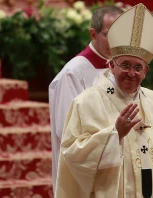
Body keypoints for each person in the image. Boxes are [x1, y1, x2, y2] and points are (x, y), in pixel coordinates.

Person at [55, 3, 153, 198]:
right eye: (125, 65)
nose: (131, 73)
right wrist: (114, 135)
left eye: (138, 67)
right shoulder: (86, 103)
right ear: (112, 65)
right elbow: (72, 154)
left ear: (146, 71)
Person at [48, 5, 123, 191]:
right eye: (109, 34)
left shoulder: (122, 69)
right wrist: (112, 135)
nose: (116, 41)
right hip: (82, 172)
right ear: (93, 34)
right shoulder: (73, 73)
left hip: (115, 168)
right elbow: (66, 131)